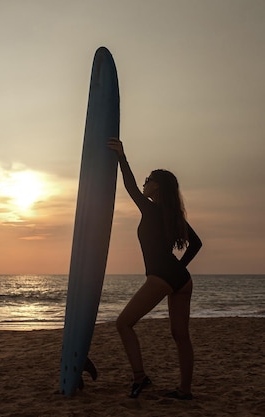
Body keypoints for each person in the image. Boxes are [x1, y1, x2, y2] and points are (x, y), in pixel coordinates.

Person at [107, 137, 202, 400]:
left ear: (158, 186)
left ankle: (140, 377)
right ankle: (184, 391)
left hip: (162, 276)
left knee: (124, 323)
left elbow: (129, 186)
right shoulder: (173, 215)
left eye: (149, 179)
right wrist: (177, 272)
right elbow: (197, 244)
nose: (145, 182)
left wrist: (121, 157)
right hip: (181, 279)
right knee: (180, 335)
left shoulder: (150, 211)